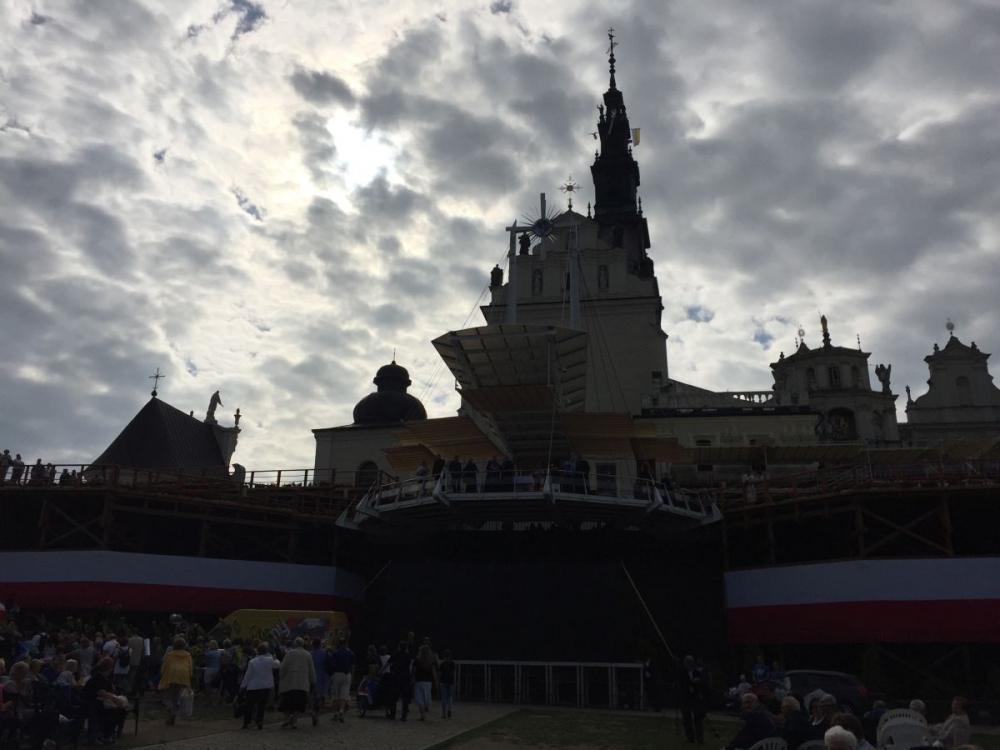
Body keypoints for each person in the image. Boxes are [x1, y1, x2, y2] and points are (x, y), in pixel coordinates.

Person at [278, 637, 315, 729]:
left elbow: (284, 666)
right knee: (298, 703)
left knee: (287, 701)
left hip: (289, 681)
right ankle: (295, 721)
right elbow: (311, 668)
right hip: (302, 682)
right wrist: (312, 679)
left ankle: (286, 719)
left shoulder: (290, 653)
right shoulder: (307, 654)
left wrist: (281, 675)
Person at [240, 642, 279, 730]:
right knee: (261, 705)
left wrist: (242, 686)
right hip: (264, 686)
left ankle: (246, 722)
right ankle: (259, 721)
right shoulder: (269, 660)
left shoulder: (252, 662)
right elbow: (277, 665)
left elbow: (248, 675)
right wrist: (275, 659)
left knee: (250, 705)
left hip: (252, 686)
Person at [158, 638, 193, 726]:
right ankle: (173, 714)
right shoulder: (187, 655)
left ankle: (170, 711)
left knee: (168, 696)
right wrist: (189, 675)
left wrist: (162, 674)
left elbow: (164, 666)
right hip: (183, 676)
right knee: (177, 696)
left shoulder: (170, 655)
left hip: (171, 675)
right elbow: (190, 666)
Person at [327, 638, 355, 724]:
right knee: (344, 695)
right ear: (346, 644)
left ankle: (335, 713)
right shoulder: (351, 653)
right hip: (347, 674)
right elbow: (353, 666)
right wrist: (352, 676)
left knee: (336, 695)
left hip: (337, 674)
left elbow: (331, 664)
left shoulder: (335, 653)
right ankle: (341, 712)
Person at [681, 655, 707, 744]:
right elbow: (680, 685)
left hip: (695, 698)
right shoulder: (682, 673)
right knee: (686, 719)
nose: (686, 665)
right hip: (686, 698)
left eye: (688, 663)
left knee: (698, 718)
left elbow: (703, 685)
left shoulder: (697, 673)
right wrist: (690, 684)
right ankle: (690, 738)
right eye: (685, 663)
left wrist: (697, 684)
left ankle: (700, 738)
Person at [387, 641, 412, 721]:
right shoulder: (408, 656)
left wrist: (380, 671)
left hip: (396, 677)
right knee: (405, 698)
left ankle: (392, 714)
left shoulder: (395, 654)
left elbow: (388, 663)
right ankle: (404, 716)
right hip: (405, 677)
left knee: (393, 697)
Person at [412, 644, 437, 722]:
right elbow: (433, 671)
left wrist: (413, 678)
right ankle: (425, 709)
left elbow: (414, 670)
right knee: (426, 696)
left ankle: (423, 714)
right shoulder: (430, 661)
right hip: (428, 681)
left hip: (419, 680)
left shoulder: (417, 660)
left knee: (419, 698)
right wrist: (435, 680)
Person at [310, 639, 329, 721]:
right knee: (319, 695)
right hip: (322, 675)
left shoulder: (310, 654)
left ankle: (312, 709)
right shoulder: (325, 653)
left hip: (311, 675)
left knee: (312, 694)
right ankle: (316, 712)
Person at [439, 649, 455, 719]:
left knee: (443, 698)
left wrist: (438, 680)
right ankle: (449, 709)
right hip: (451, 681)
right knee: (450, 697)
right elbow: (454, 673)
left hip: (443, 681)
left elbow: (440, 673)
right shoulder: (452, 663)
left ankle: (443, 714)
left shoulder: (442, 664)